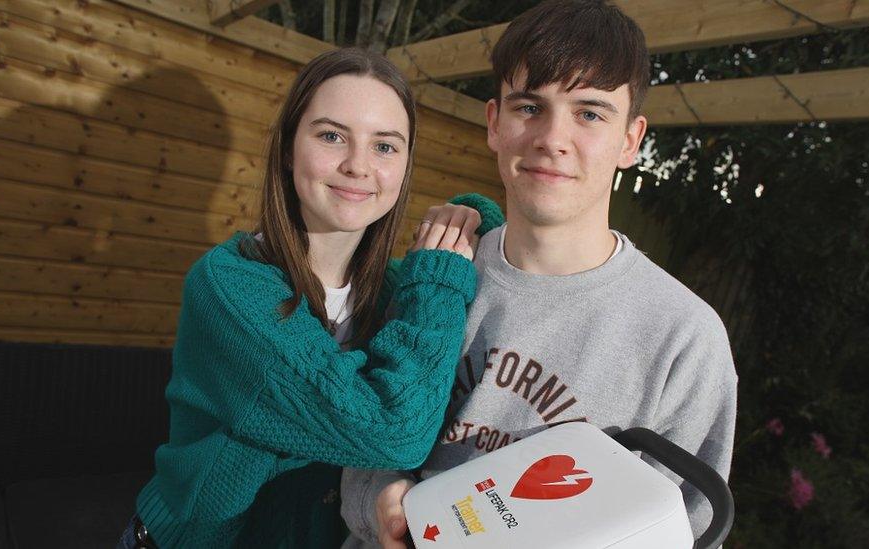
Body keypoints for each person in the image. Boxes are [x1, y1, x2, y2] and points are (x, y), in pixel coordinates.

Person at [340, 1, 738, 547]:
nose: (553, 138)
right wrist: (381, 502)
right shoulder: (433, 276)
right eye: (530, 107)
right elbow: (359, 446)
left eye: (590, 113)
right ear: (494, 124)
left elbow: (687, 530)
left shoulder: (684, 337)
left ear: (630, 140)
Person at [118, 48, 502, 548]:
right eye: (331, 136)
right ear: (287, 149)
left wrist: (470, 216)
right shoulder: (232, 287)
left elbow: (491, 252)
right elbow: (394, 430)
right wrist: (439, 273)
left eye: (385, 146)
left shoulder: (388, 286)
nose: (358, 166)